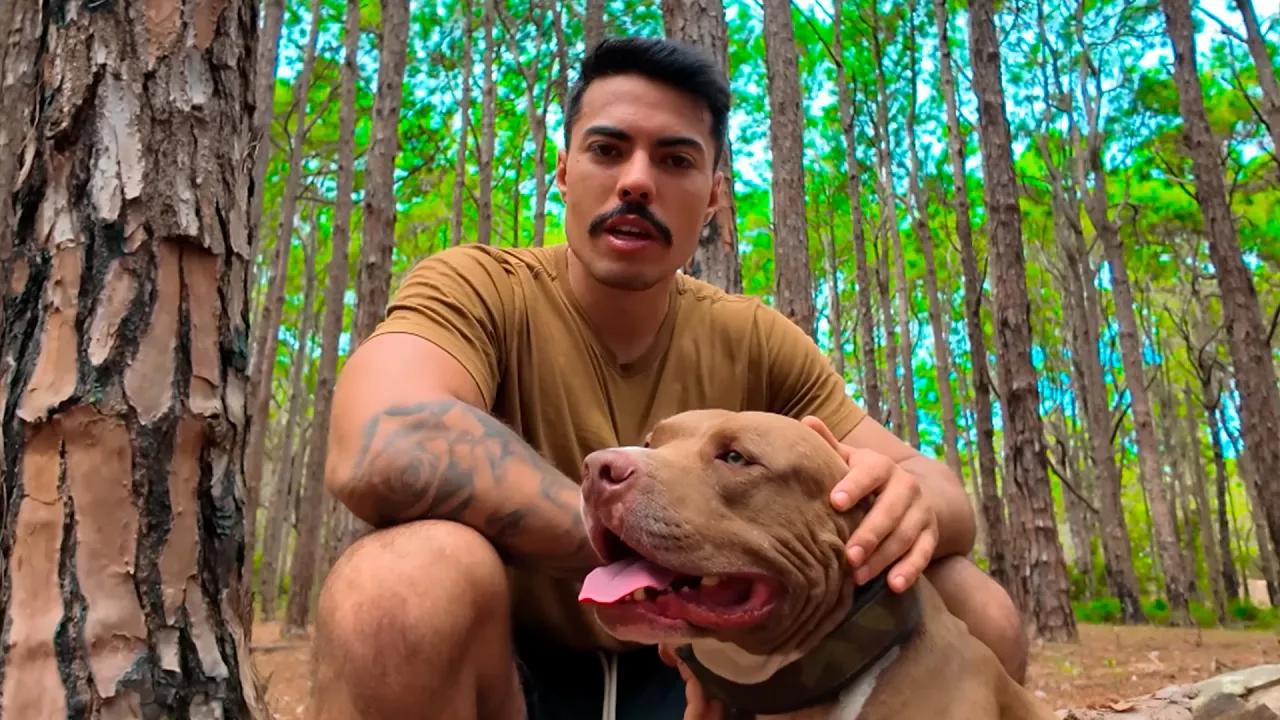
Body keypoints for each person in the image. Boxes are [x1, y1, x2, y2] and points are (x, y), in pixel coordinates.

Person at [309, 36, 1025, 720]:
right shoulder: (479, 288)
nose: (637, 181)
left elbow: (936, 492)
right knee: (397, 584)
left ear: (713, 196)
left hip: (717, 673)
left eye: (675, 160)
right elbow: (380, 440)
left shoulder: (754, 338)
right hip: (504, 676)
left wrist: (905, 501)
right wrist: (644, 538)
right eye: (607, 149)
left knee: (969, 603)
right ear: (563, 172)